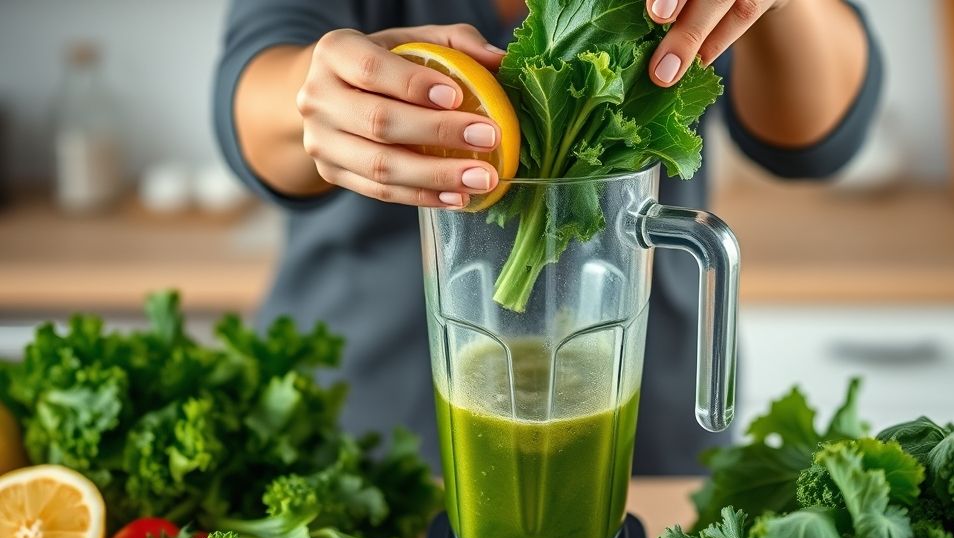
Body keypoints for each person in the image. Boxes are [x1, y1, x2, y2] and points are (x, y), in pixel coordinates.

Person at [214, 0, 882, 474]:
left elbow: (816, 139)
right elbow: (250, 89)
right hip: (356, 430)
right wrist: (316, 94)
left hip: (638, 440)